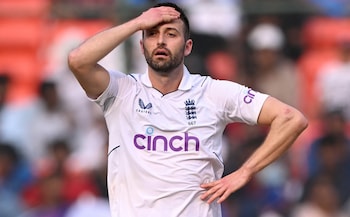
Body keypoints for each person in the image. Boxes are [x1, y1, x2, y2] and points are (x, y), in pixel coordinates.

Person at [67, 2, 308, 217]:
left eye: (171, 34)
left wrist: (245, 172)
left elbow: (291, 119)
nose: (160, 41)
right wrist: (138, 22)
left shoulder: (213, 92)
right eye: (152, 34)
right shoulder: (122, 91)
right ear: (142, 47)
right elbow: (78, 60)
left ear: (188, 46)